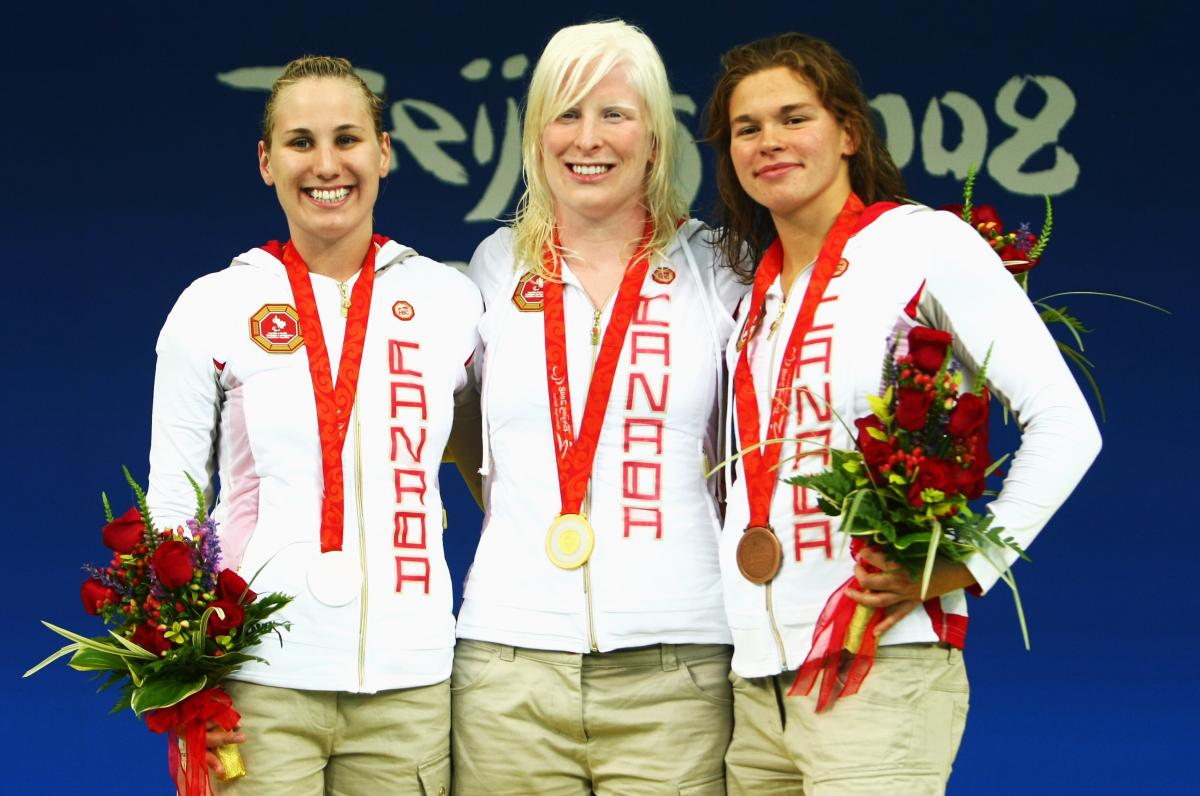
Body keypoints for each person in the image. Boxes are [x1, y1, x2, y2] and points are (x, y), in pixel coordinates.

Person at [703, 32, 1101, 794]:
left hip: (878, 667)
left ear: (849, 132)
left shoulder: (921, 242)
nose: (769, 142)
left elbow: (1065, 422)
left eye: (794, 117)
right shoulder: (755, 294)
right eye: (746, 129)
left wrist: (965, 567)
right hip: (755, 688)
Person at [146, 55, 481, 794]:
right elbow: (171, 505)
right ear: (267, 163)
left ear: (385, 152)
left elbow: (502, 463)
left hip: (412, 687)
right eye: (300, 142)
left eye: (348, 138)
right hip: (262, 689)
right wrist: (192, 681)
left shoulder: (450, 299)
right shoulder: (213, 304)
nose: (326, 164)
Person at [452, 20, 747, 795]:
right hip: (505, 671)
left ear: (655, 136)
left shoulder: (720, 268)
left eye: (614, 114)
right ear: (536, 132)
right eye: (566, 112)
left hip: (678, 670)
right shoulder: (491, 269)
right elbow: (447, 430)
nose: (588, 138)